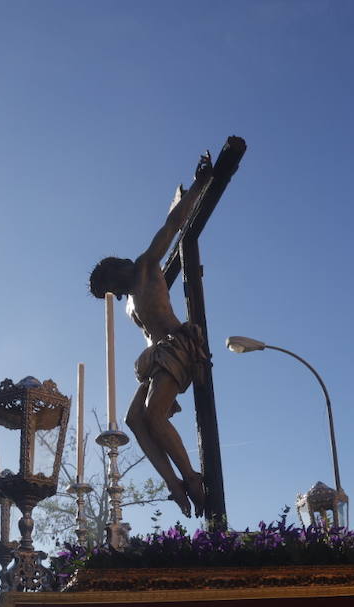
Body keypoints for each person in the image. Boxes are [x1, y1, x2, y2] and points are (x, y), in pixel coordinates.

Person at [88, 154, 214, 517]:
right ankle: (173, 483)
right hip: (156, 359)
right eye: (111, 291)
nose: (116, 293)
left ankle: (191, 477)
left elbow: (173, 224)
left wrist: (199, 184)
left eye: (112, 285)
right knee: (134, 419)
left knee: (154, 415)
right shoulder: (129, 302)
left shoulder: (146, 267)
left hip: (176, 346)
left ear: (119, 268)